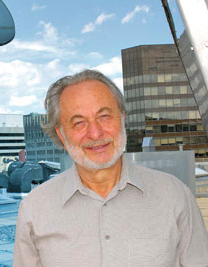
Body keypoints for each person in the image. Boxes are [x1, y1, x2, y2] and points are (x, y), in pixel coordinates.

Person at [13, 69, 208, 266]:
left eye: (104, 116)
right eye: (79, 122)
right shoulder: (34, 209)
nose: (95, 133)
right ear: (62, 135)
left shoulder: (175, 195)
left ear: (122, 118)